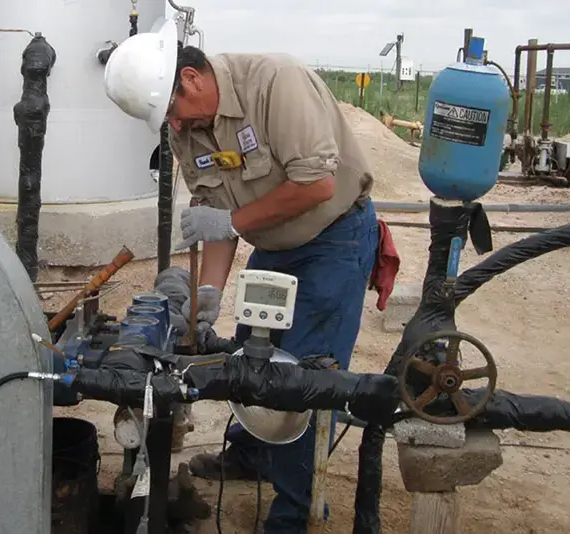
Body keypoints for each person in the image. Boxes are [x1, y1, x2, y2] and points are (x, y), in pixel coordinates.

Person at [104, 21, 380, 534]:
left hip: (333, 241)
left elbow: (316, 184)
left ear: (191, 78)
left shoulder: (276, 84)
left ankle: (293, 513)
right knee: (251, 356)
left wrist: (231, 222)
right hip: (273, 245)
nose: (174, 125)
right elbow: (216, 213)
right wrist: (209, 291)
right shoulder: (185, 129)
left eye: (171, 110)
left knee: (301, 380)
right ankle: (250, 455)